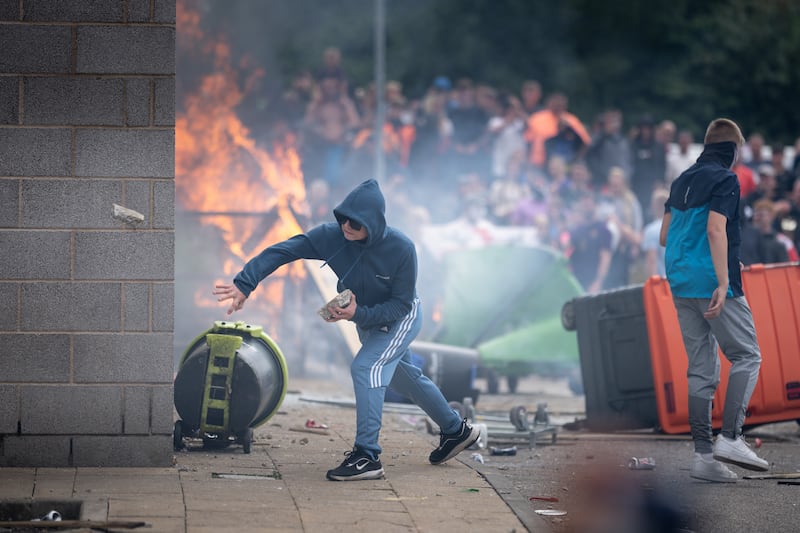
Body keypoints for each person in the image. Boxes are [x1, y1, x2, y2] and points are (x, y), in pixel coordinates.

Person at [213, 179, 480, 481]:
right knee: (404, 379)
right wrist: (245, 283)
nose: (346, 226)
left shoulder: (401, 248)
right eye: (342, 218)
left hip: (400, 317)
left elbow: (401, 305)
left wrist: (359, 314)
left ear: (374, 223)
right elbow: (284, 251)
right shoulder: (331, 236)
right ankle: (456, 431)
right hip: (366, 315)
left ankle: (368, 456)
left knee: (366, 368)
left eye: (355, 221)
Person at [659, 117, 769, 483]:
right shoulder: (726, 179)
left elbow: (664, 235)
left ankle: (704, 457)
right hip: (711, 280)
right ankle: (732, 438)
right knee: (747, 354)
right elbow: (715, 228)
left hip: (680, 280)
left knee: (701, 370)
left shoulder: (681, 179)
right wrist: (723, 280)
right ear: (733, 151)